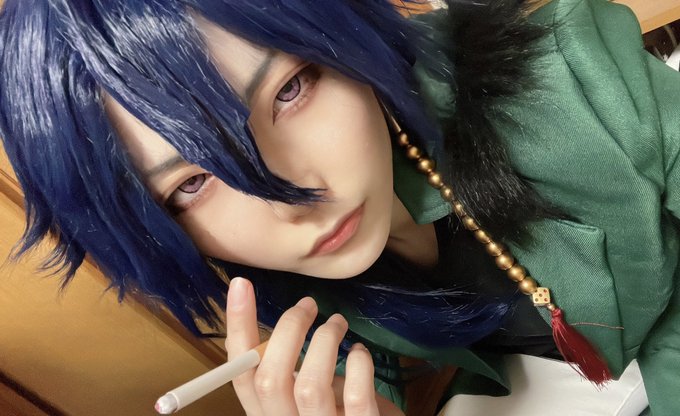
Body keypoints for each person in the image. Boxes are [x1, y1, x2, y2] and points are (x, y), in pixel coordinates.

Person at [0, 0, 678, 415]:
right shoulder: (276, 284)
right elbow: (367, 351)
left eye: (290, 90)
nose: (295, 200)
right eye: (191, 184)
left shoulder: (577, 85)